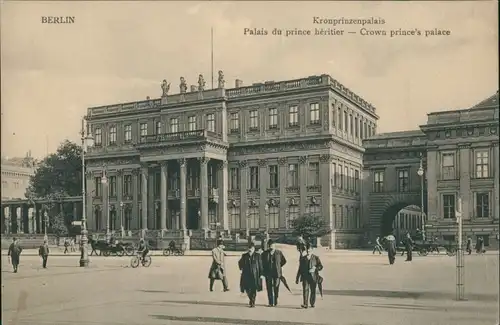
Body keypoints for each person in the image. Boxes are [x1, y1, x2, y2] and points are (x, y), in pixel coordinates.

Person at [296, 244, 323, 309]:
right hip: (305, 277)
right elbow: (300, 269)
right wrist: (297, 278)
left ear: (312, 250)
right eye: (307, 250)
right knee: (305, 290)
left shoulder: (316, 258)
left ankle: (312, 303)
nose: (308, 251)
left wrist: (315, 268)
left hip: (313, 277)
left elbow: (321, 266)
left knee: (313, 290)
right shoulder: (303, 258)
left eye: (310, 250)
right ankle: (305, 304)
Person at [261, 239, 287, 307]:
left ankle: (275, 301)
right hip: (268, 273)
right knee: (269, 288)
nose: (271, 247)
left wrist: (278, 266)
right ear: (268, 246)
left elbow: (284, 261)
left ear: (275, 246)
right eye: (270, 246)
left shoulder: (279, 253)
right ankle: (270, 302)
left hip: (277, 273)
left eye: (272, 245)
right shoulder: (264, 254)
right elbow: (262, 263)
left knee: (276, 287)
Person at [238, 242, 264, 308]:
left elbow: (260, 265)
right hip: (246, 275)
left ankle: (252, 302)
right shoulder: (244, 256)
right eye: (249, 248)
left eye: (251, 248)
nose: (250, 250)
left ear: (254, 248)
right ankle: (250, 298)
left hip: (255, 275)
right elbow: (240, 263)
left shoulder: (258, 255)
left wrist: (261, 274)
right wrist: (241, 268)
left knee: (253, 289)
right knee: (247, 288)